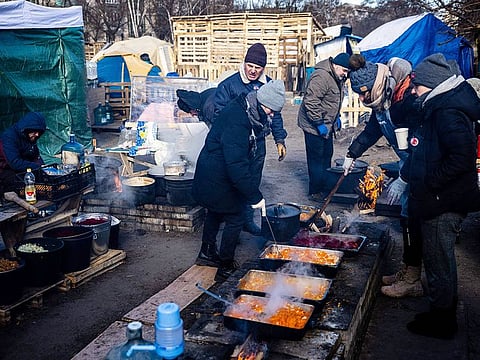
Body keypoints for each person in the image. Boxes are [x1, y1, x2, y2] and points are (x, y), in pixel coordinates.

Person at [399, 53, 480, 339]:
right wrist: (408, 173)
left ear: (432, 85)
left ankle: (442, 322)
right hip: (438, 197)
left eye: (417, 86)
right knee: (437, 259)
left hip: (444, 201)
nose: (413, 90)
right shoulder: (437, 106)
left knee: (439, 260)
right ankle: (438, 310)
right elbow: (427, 149)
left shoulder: (447, 112)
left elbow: (463, 157)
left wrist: (430, 182)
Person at [346, 55, 424, 298]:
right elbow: (372, 130)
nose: (360, 98)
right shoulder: (382, 100)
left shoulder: (406, 100)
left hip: (419, 166)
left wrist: (404, 177)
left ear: (376, 86)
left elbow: (420, 147)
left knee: (414, 220)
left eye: (363, 93)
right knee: (406, 217)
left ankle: (413, 280)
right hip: (407, 164)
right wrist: (352, 153)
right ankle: (408, 270)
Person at [192, 80, 286, 281]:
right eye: (271, 110)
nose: (271, 115)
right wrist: (254, 195)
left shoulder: (246, 107)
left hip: (215, 170)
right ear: (262, 102)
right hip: (217, 173)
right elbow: (236, 164)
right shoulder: (238, 120)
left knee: (215, 213)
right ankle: (225, 265)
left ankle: (206, 253)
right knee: (235, 216)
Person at [213, 43, 288, 236]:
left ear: (263, 68)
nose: (253, 71)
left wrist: (279, 139)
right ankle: (232, 226)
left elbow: (275, 115)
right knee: (234, 181)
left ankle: (246, 221)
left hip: (258, 143)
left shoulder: (268, 85)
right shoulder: (229, 85)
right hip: (236, 144)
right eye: (250, 66)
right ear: (244, 63)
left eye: (258, 67)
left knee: (252, 183)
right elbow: (218, 115)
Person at [297, 52, 351, 201]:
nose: (345, 75)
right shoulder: (321, 77)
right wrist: (319, 123)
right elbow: (311, 102)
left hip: (326, 123)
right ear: (335, 65)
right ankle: (315, 191)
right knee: (316, 158)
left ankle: (325, 187)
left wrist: (336, 117)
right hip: (313, 124)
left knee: (327, 155)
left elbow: (332, 100)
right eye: (344, 71)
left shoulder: (337, 76)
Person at [0, 112, 46, 197]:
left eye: (39, 132)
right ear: (26, 129)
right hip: (5, 169)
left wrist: (43, 168)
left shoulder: (29, 137)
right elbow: (15, 163)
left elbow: (36, 156)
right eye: (35, 131)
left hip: (20, 166)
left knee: (42, 177)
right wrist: (36, 167)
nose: (37, 134)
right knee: (19, 181)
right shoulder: (9, 137)